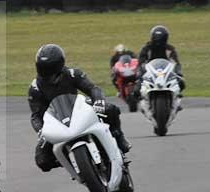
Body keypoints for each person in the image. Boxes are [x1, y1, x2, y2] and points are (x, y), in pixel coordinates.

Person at [29, 44, 132, 173]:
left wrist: (99, 102)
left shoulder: (72, 74)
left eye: (50, 69)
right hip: (56, 121)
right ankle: (68, 160)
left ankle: (119, 137)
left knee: (110, 109)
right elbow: (36, 115)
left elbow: (93, 89)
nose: (47, 74)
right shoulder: (35, 88)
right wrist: (40, 131)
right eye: (43, 68)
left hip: (80, 108)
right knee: (42, 161)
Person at [137, 25, 185, 91]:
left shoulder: (169, 49)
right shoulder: (147, 48)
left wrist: (178, 72)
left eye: (160, 38)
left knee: (181, 83)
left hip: (166, 72)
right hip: (150, 73)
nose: (158, 40)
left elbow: (175, 62)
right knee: (137, 88)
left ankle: (175, 97)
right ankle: (140, 99)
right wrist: (141, 72)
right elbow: (141, 61)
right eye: (157, 38)